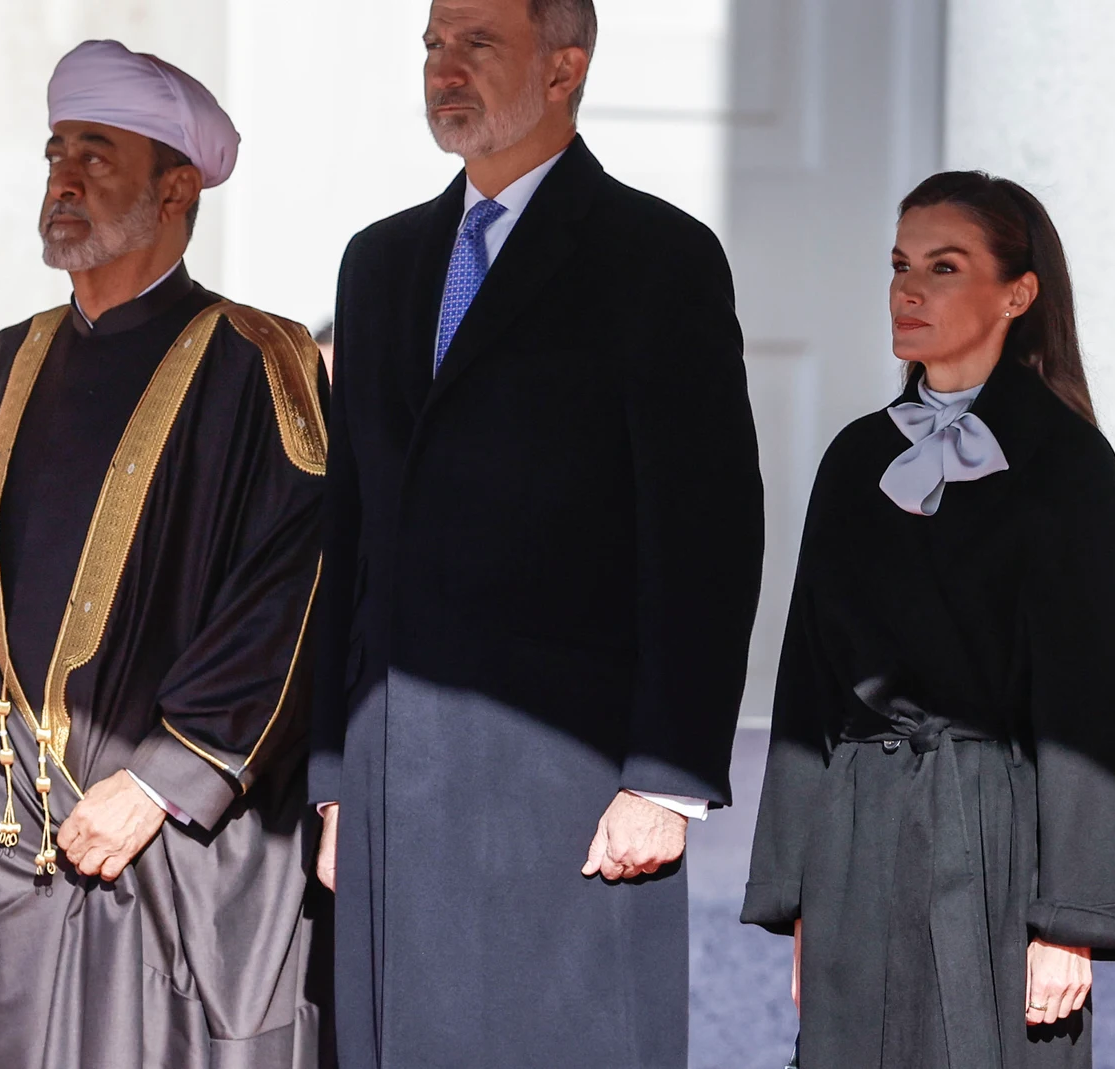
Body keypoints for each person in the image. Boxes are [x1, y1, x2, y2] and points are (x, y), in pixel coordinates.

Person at [310, 0, 764, 1065]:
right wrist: (333, 774)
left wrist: (665, 777)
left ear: (564, 69)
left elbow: (704, 536)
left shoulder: (658, 259)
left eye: (477, 43)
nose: (443, 67)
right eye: (432, 44)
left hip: (565, 787)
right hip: (388, 783)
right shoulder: (376, 265)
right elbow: (350, 533)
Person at [0, 40, 329, 1067]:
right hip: (1, 843)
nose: (63, 180)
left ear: (176, 187)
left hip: (168, 847)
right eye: (53, 155)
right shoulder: (14, 353)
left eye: (95, 153)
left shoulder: (256, 358)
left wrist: (168, 777)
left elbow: (295, 582)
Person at [743, 171, 1115, 1067]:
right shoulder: (855, 457)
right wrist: (801, 891)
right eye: (899, 265)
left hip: (997, 850)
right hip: (858, 841)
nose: (908, 289)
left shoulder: (1069, 467)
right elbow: (807, 680)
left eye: (944, 265)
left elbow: (1090, 705)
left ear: (1017, 292)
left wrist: (1070, 922)